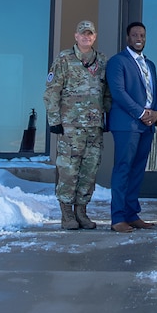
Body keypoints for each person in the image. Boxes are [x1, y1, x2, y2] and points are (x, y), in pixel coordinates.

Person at [43, 20, 109, 230]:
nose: (86, 38)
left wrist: (106, 115)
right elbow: (52, 91)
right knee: (68, 170)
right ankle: (66, 214)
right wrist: (54, 121)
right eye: (82, 34)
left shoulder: (102, 61)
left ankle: (81, 211)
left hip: (94, 128)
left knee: (89, 170)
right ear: (76, 36)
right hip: (70, 127)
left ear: (95, 37)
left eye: (90, 35)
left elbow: (107, 92)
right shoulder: (64, 59)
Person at [105, 20, 157, 232]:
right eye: (135, 35)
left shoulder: (150, 65)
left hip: (146, 125)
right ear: (127, 38)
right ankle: (118, 218)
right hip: (127, 124)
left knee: (138, 170)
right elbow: (118, 92)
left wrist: (156, 113)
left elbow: (155, 92)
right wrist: (141, 112)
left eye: (142, 36)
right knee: (123, 169)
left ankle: (132, 214)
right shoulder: (117, 62)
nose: (139, 39)